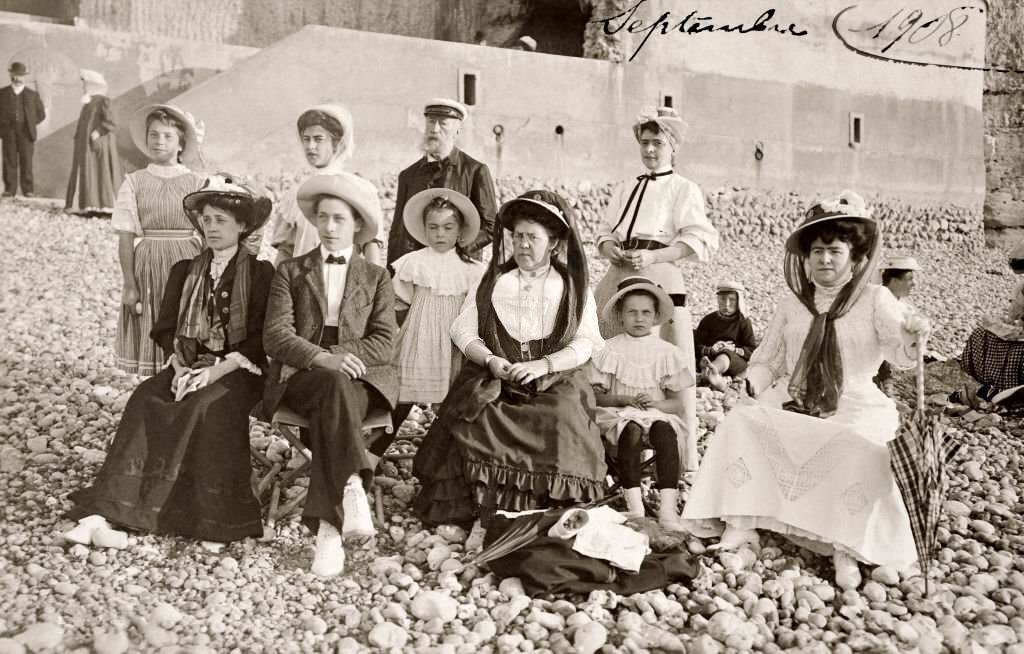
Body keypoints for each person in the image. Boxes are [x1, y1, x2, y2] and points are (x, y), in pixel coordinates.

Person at [681, 190, 930, 590]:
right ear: (806, 258)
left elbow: (900, 355)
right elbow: (768, 360)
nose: (824, 259)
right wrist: (752, 383)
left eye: (834, 250)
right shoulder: (793, 304)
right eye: (816, 251)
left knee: (859, 444)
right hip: (796, 396)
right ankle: (744, 521)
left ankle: (844, 543)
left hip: (855, 400)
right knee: (741, 424)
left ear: (855, 256)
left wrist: (912, 334)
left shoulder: (874, 299)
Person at [65, 174, 275, 547]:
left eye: (221, 221)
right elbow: (164, 329)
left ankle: (209, 519)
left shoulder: (260, 273)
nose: (211, 227)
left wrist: (216, 370)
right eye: (206, 220)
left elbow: (262, 338)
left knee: (206, 406)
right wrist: (179, 365)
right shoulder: (185, 270)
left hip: (240, 368)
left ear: (242, 226)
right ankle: (112, 509)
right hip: (188, 362)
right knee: (147, 397)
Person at [412, 189, 607, 536]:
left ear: (554, 243)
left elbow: (587, 342)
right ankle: (481, 511)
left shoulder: (572, 285)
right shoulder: (492, 281)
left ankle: (541, 509)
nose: (523, 245)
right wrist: (490, 360)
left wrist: (544, 365)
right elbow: (462, 329)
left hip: (555, 375)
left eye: (533, 237)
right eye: (517, 236)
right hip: (498, 371)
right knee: (478, 414)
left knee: (562, 419)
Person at [262, 173, 397, 578]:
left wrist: (337, 357)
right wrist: (322, 359)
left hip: (361, 377)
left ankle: (327, 531)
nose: (329, 227)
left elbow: (383, 344)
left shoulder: (377, 277)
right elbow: (276, 335)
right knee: (332, 386)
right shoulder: (291, 270)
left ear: (357, 225)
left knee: (336, 394)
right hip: (303, 374)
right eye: (322, 218)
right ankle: (353, 484)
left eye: (339, 219)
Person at [594, 106, 719, 472]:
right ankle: (613, 446)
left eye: (658, 143)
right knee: (609, 351)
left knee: (667, 357)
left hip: (660, 272)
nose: (650, 150)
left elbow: (697, 240)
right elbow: (604, 233)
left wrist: (654, 258)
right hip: (620, 272)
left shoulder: (683, 189)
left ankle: (678, 451)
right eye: (645, 143)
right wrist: (610, 249)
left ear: (673, 147)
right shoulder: (625, 187)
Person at [590, 276, 692, 530]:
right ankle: (634, 506)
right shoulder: (608, 349)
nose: (639, 318)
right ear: (620, 315)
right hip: (618, 415)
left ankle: (668, 509)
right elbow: (596, 398)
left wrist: (655, 405)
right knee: (631, 431)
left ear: (656, 316)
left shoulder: (666, 352)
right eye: (631, 312)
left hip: (655, 414)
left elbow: (677, 405)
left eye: (646, 312)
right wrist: (623, 399)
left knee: (665, 432)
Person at [113, 104, 205, 375]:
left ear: (180, 144)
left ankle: (184, 380)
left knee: (186, 318)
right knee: (151, 317)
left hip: (187, 258)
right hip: (148, 261)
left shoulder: (196, 183)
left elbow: (209, 233)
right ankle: (154, 382)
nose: (159, 142)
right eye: (153, 135)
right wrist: (130, 285)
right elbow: (126, 237)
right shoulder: (134, 181)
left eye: (167, 136)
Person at [390, 188, 486, 436]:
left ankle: (443, 459)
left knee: (451, 401)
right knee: (402, 397)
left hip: (454, 341)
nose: (440, 234)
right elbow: (398, 302)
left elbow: (476, 309)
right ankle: (372, 456)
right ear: (424, 229)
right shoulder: (413, 262)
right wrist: (409, 328)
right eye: (433, 227)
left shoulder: (472, 270)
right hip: (418, 339)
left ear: (460, 231)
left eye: (447, 227)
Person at [264, 104, 384, 265]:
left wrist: (373, 287)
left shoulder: (360, 189)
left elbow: (371, 246)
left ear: (336, 143)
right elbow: (285, 252)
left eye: (318, 139)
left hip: (346, 280)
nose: (310, 146)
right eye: (306, 139)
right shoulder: (295, 193)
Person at [386, 98, 496, 270]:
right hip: (417, 271)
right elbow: (398, 230)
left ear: (458, 129)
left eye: (443, 123)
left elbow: (491, 226)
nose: (435, 129)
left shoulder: (475, 171)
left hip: (459, 270)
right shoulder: (408, 175)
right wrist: (392, 274)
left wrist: (457, 249)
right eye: (430, 122)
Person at [954, 241, 1024, 407]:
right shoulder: (1021, 287)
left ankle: (1011, 391)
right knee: (980, 334)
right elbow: (1014, 314)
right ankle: (989, 384)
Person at [65, 69, 124, 215]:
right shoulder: (88, 103)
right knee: (89, 172)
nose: (83, 88)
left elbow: (111, 122)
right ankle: (89, 205)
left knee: (100, 171)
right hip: (86, 146)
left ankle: (104, 205)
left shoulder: (103, 101)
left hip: (99, 145)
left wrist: (97, 132)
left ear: (92, 86)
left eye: (85, 85)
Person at [694, 281, 757, 392]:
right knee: (700, 353)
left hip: (734, 362)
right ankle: (710, 374)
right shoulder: (709, 320)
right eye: (723, 299)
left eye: (731, 300)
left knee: (725, 354)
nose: (726, 304)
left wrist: (734, 349)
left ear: (738, 301)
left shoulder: (743, 322)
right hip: (710, 357)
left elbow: (751, 351)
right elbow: (696, 346)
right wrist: (711, 350)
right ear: (718, 300)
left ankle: (712, 372)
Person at [875, 255, 921, 390]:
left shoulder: (903, 306)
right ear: (894, 281)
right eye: (909, 279)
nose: (914, 284)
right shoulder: (880, 305)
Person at [0, 62, 46, 198]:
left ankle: (28, 189)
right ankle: (9, 189)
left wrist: (30, 124)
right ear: (10, 75)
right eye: (15, 75)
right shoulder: (2, 93)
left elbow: (41, 114)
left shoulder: (32, 95)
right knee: (9, 159)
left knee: (26, 160)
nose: (18, 78)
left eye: (20, 75)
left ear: (25, 77)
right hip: (8, 131)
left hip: (26, 131)